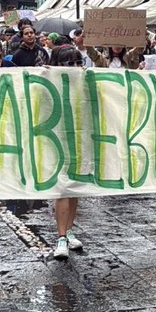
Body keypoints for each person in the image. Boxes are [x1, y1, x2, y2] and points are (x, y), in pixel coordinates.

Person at [49, 45, 88, 260]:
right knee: (62, 189)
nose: (74, 67)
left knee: (73, 188)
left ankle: (69, 230)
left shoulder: (84, 81)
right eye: (69, 63)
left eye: (77, 62)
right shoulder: (48, 79)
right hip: (57, 140)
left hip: (80, 140)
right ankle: (61, 237)